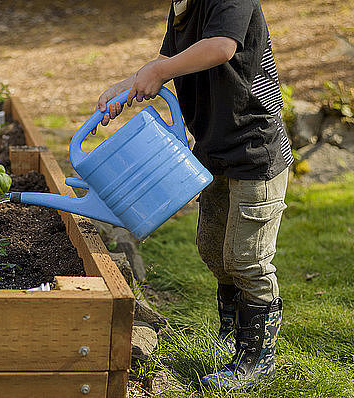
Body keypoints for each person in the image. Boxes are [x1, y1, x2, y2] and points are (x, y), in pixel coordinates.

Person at [95, 0, 293, 390]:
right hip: (214, 147)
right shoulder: (183, 5)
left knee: (246, 258)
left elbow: (221, 47)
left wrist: (159, 70)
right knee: (211, 248)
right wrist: (130, 83)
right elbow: (170, 57)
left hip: (255, 149)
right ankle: (235, 336)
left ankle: (256, 360)